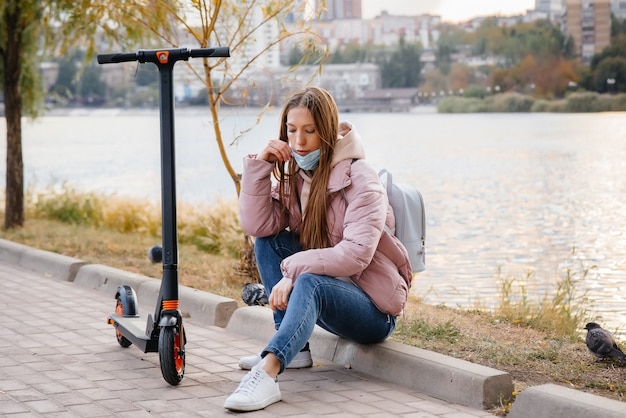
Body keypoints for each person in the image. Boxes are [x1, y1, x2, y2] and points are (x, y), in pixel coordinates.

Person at [224, 86, 413, 412]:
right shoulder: (297, 175)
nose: (299, 142)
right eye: (292, 131)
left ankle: (268, 371)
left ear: (326, 131)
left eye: (309, 131)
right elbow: (258, 226)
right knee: (269, 241)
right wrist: (260, 167)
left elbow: (356, 255)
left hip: (372, 312)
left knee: (310, 281)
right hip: (326, 292)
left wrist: (295, 270)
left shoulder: (360, 177)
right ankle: (292, 349)